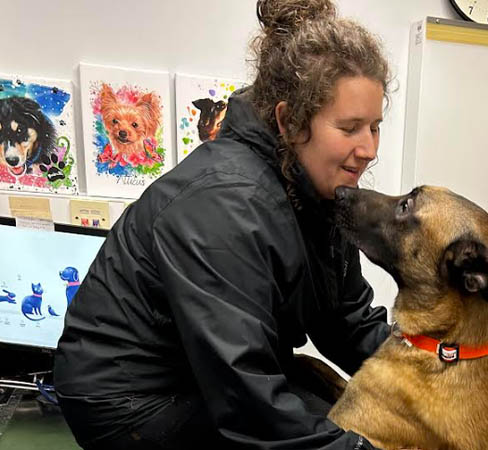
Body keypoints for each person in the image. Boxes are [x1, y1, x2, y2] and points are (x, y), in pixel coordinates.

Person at [54, 0, 392, 448]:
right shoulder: (225, 204)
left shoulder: (319, 188)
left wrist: (442, 375)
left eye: (375, 127)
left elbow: (346, 320)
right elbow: (248, 399)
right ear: (289, 122)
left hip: (205, 368)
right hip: (129, 399)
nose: (369, 148)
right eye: (350, 128)